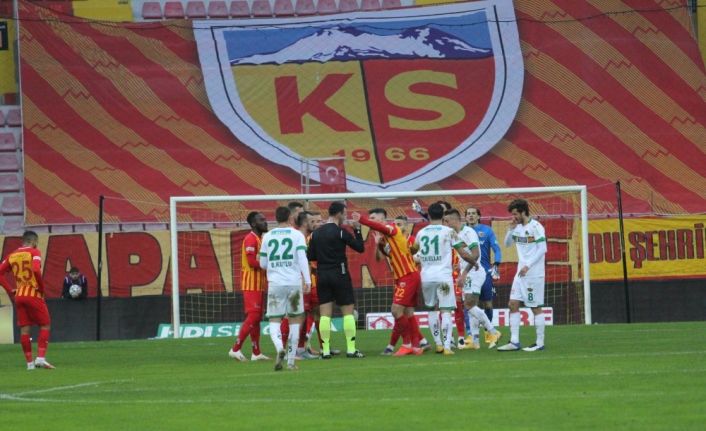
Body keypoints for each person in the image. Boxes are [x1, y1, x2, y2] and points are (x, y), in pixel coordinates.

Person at [354, 208, 423, 356]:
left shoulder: (392, 228)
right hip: (403, 276)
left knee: (396, 310)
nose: (371, 221)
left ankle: (407, 344)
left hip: (408, 275)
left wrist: (362, 219)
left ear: (381, 219)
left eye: (373, 218)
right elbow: (384, 257)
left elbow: (377, 227)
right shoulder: (385, 237)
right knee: (407, 312)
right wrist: (378, 244)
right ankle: (417, 346)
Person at [413, 203, 476, 355]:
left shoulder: (421, 232)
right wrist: (474, 263)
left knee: (431, 310)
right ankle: (447, 346)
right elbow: (464, 253)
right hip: (443, 278)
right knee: (446, 311)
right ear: (443, 216)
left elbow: (413, 251)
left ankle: (438, 344)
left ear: (429, 215)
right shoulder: (449, 231)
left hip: (426, 278)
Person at [307, 201, 365, 359]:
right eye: (344, 213)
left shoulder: (316, 233)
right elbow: (360, 248)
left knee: (325, 314)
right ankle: (351, 349)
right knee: (347, 313)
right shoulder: (340, 232)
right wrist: (357, 230)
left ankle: (325, 351)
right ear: (339, 213)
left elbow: (310, 256)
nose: (345, 216)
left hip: (322, 275)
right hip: (340, 274)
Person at [260, 206, 312, 371]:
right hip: (293, 283)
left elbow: (263, 264)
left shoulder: (268, 236)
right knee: (295, 320)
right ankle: (290, 361)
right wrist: (308, 280)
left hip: (275, 284)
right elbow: (302, 258)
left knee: (274, 320)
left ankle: (278, 348)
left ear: (275, 218)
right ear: (290, 217)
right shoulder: (297, 235)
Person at [445, 209, 502, 349]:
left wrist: (464, 273)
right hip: (469, 271)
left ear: (454, 220)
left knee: (469, 305)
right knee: (471, 306)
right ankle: (475, 341)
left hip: (474, 273)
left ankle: (493, 331)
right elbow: (464, 255)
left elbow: (475, 255)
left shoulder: (469, 232)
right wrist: (459, 267)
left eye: (447, 221)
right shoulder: (454, 234)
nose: (445, 224)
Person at [497, 199, 547, 352]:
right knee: (513, 304)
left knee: (535, 307)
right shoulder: (517, 227)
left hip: (533, 274)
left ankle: (539, 343)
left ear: (523, 212)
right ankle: (514, 342)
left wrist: (528, 265)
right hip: (520, 274)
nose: (513, 217)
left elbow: (543, 249)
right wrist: (510, 229)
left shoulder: (536, 226)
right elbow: (507, 244)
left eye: (515, 214)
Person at [0, 231, 54, 369]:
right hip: (33, 294)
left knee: (25, 330)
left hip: (19, 296)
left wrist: (10, 290)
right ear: (34, 241)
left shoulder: (12, 255)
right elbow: (35, 270)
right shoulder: (34, 252)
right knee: (45, 325)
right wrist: (41, 288)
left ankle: (30, 364)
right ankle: (40, 358)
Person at [229, 212, 270, 362]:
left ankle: (256, 352)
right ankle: (235, 349)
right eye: (261, 220)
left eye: (265, 219)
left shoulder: (260, 239)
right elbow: (252, 262)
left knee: (257, 318)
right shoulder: (250, 239)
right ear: (253, 224)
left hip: (259, 283)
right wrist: (271, 265)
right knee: (253, 316)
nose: (265, 222)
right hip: (250, 284)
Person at [465, 206, 502, 340]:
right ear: (465, 217)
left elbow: (497, 249)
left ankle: (488, 332)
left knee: (488, 304)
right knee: (469, 304)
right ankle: (471, 334)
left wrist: (496, 264)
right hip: (469, 273)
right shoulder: (462, 232)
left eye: (473, 213)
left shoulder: (487, 231)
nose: (471, 216)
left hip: (485, 272)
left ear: (479, 216)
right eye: (468, 214)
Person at [295, 211, 321, 360]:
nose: (315, 224)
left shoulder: (308, 238)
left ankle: (301, 348)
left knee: (307, 314)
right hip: (301, 282)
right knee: (298, 316)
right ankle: (291, 350)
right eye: (313, 221)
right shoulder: (299, 238)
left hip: (308, 281)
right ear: (305, 223)